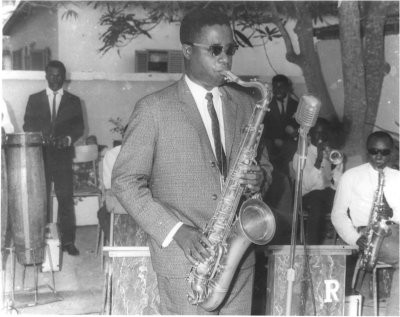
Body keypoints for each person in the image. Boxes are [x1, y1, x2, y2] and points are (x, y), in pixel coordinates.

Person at [112, 8, 273, 315]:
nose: (225, 59)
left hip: (238, 264)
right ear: (187, 50)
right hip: (183, 262)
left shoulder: (246, 103)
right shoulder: (153, 109)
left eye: (230, 50)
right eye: (215, 50)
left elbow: (265, 167)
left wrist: (259, 178)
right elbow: (124, 181)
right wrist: (177, 231)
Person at [331, 131, 399, 316]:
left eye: (384, 152)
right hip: (369, 234)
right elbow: (337, 214)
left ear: (392, 152)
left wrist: (394, 218)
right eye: (374, 151)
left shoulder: (397, 177)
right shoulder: (350, 176)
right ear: (367, 151)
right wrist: (354, 238)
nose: (379, 156)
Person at [23, 60, 84, 256]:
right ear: (46, 76)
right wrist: (41, 136)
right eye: (51, 75)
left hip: (63, 158)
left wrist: (67, 139)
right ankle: (40, 240)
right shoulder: (34, 99)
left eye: (59, 76)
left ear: (64, 77)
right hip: (40, 157)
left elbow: (79, 128)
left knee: (65, 199)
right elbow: (27, 126)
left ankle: (67, 242)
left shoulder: (74, 101)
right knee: (41, 200)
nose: (55, 79)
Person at [292, 117, 343, 244]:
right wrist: (318, 160)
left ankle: (345, 243)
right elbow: (308, 185)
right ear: (309, 136)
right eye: (318, 133)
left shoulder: (330, 153)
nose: (321, 138)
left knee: (346, 197)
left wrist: (338, 167)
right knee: (317, 197)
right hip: (306, 197)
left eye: (324, 133)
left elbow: (336, 186)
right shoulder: (301, 156)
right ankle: (311, 245)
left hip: (325, 194)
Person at [262, 74, 298, 176]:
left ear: (287, 87)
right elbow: (263, 127)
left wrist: (293, 132)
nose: (277, 90)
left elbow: (299, 126)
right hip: (271, 145)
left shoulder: (296, 105)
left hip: (290, 147)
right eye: (275, 87)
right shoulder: (267, 105)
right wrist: (274, 140)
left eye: (281, 86)